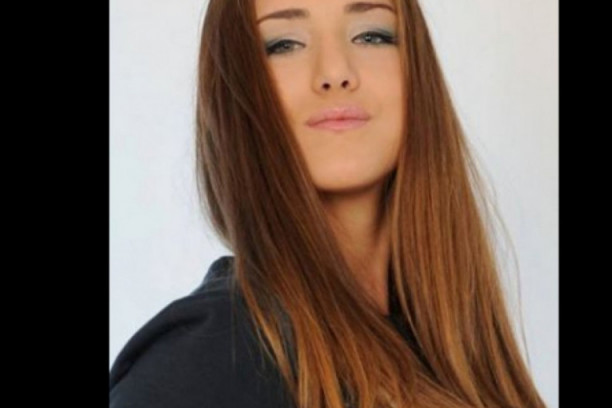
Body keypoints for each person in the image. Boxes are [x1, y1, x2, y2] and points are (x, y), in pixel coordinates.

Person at [110, 1, 548, 407]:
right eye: (284, 44)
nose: (336, 72)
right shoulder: (203, 364)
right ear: (233, 90)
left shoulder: (458, 352)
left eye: (372, 35)